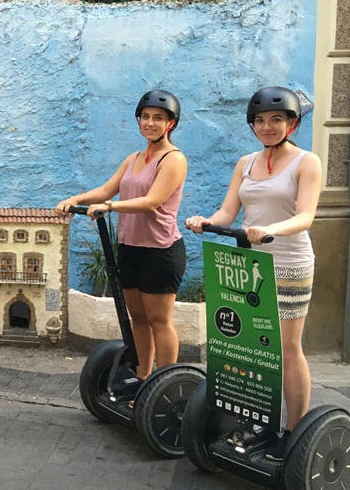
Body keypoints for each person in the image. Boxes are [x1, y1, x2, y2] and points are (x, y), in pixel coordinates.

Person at [186, 86, 321, 438]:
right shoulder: (245, 163)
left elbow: (306, 216)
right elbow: (230, 210)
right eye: (260, 120)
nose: (267, 127)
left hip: (288, 263)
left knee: (287, 349)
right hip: (247, 265)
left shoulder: (307, 162)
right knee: (248, 346)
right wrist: (207, 221)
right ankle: (255, 420)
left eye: (277, 119)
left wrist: (269, 230)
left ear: (292, 123)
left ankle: (293, 433)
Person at [55, 90, 188, 381]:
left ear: (171, 124)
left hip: (160, 250)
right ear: (138, 120)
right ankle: (143, 378)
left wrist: (110, 206)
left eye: (158, 118)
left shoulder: (173, 159)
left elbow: (152, 201)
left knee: (159, 320)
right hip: (130, 248)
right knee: (138, 319)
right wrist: (75, 199)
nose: (150, 123)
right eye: (145, 117)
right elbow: (106, 190)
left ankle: (166, 385)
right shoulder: (134, 158)